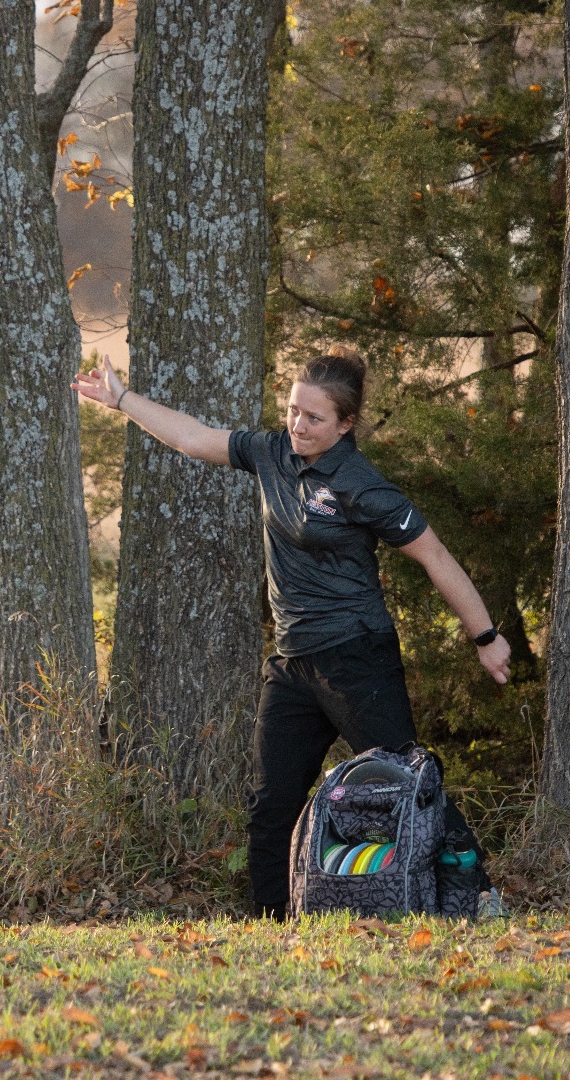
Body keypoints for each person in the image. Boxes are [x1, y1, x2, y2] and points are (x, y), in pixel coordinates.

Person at [71, 348, 513, 918]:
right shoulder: (271, 453)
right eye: (292, 411)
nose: (298, 426)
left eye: (314, 418)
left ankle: (475, 895)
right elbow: (194, 438)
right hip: (292, 665)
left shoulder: (361, 484)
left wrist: (485, 637)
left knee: (410, 787)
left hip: (357, 658)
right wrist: (123, 399)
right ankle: (271, 921)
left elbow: (435, 557)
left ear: (346, 424)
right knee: (271, 803)